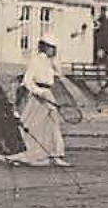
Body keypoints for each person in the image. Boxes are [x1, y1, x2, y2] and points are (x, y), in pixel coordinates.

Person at [7, 38, 70, 168]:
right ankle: (22, 153)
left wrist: (54, 63)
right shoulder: (36, 60)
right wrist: (38, 92)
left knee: (53, 124)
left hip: (48, 94)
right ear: (45, 47)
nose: (54, 50)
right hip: (38, 97)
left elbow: (58, 74)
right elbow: (27, 80)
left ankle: (56, 155)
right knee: (31, 124)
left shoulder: (50, 61)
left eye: (54, 47)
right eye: (52, 47)